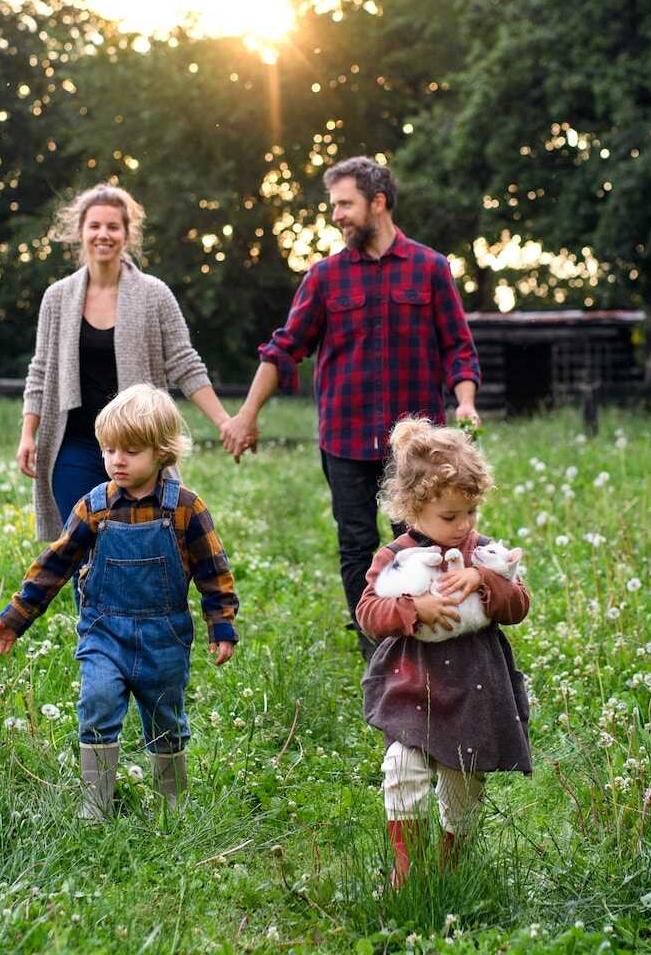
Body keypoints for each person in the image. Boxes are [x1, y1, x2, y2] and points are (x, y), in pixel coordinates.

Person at [221, 156, 480, 658]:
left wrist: (465, 401)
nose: (336, 214)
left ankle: (433, 641)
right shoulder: (324, 278)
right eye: (334, 204)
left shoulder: (430, 269)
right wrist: (246, 414)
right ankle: (379, 651)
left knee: (426, 541)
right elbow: (285, 348)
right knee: (357, 546)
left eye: (345, 203)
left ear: (377, 203)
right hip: (345, 438)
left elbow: (458, 346)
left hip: (417, 447)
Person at [0, 383, 238, 819]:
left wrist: (222, 625)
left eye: (131, 451)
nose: (116, 460)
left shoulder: (186, 509)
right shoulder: (93, 507)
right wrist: (15, 618)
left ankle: (171, 803)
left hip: (164, 637)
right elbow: (55, 563)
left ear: (163, 453)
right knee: (97, 703)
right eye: (109, 450)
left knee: (166, 719)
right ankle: (95, 802)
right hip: (105, 633)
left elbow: (213, 571)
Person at [353, 417, 530, 887]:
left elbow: (519, 605)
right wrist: (415, 607)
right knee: (402, 770)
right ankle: (406, 872)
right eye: (449, 517)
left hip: (474, 689)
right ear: (412, 510)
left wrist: (485, 580)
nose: (463, 526)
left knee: (463, 783)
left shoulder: (485, 554)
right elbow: (368, 612)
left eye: (469, 513)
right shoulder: (394, 556)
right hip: (413, 684)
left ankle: (453, 861)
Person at [18, 185, 237, 547]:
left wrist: (224, 421)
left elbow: (185, 363)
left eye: (113, 227)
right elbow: (40, 370)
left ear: (127, 234)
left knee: (140, 542)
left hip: (138, 446)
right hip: (73, 443)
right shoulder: (56, 298)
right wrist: (29, 433)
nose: (103, 234)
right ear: (80, 233)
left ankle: (133, 606)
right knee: (78, 547)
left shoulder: (154, 295)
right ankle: (87, 608)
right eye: (94, 226)